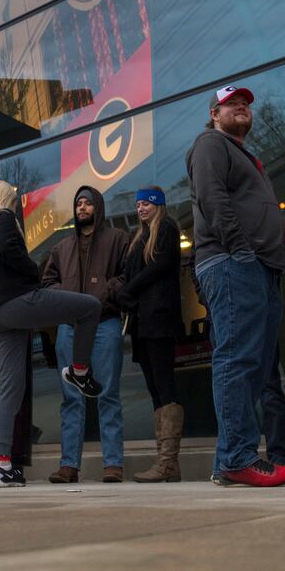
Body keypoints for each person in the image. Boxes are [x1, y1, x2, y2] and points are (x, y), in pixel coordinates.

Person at [186, 86, 285, 488]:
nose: (241, 109)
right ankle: (238, 457)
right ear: (214, 113)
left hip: (261, 268)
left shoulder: (245, 154)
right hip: (234, 263)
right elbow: (212, 198)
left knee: (251, 365)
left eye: (246, 105)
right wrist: (240, 249)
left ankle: (226, 461)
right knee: (236, 361)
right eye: (232, 104)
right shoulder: (210, 144)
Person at [0, 180, 103, 487]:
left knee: (9, 389)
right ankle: (79, 370)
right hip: (18, 302)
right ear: (3, 199)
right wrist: (32, 273)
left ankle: (2, 468)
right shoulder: (0, 217)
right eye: (13, 200)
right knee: (90, 307)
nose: (15, 205)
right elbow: (6, 248)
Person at [42, 186, 129, 483]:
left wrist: (105, 290)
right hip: (70, 327)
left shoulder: (117, 239)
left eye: (87, 203)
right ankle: (69, 466)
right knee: (71, 398)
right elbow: (47, 283)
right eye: (78, 203)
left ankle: (113, 464)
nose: (82, 207)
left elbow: (126, 276)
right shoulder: (61, 247)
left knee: (108, 394)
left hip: (105, 323)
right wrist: (67, 297)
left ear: (98, 207)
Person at [118, 187, 185, 482]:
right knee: (154, 388)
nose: (141, 209)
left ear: (159, 205)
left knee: (165, 386)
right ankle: (167, 462)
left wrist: (128, 290)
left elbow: (159, 266)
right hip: (142, 322)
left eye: (146, 203)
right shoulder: (139, 236)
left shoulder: (167, 228)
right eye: (138, 204)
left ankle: (168, 462)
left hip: (159, 318)